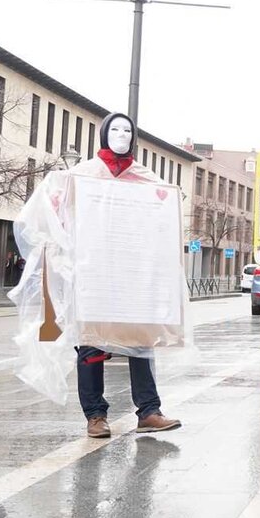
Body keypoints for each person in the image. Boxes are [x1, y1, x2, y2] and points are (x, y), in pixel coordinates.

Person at [74, 115, 182, 439]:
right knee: (91, 344)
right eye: (115, 129)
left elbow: (163, 217)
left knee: (141, 340)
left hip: (132, 274)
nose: (121, 135)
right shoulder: (83, 174)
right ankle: (95, 415)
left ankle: (149, 410)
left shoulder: (146, 179)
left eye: (128, 130)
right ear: (104, 134)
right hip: (94, 273)